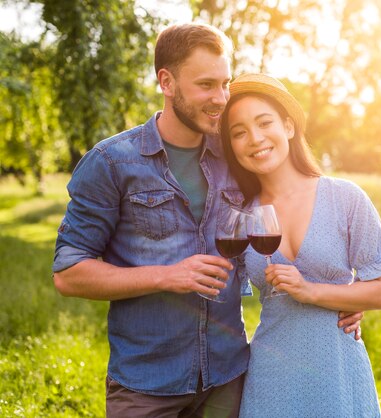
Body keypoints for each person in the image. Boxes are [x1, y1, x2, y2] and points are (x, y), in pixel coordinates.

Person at [52, 23, 362, 417]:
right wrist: (167, 275)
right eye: (206, 85)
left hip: (228, 380)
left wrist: (342, 297)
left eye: (225, 83)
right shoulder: (112, 163)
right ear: (166, 81)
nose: (220, 99)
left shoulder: (235, 154)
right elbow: (68, 273)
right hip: (147, 387)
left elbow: (292, 205)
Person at [220, 73, 381, 417]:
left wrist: (313, 292)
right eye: (239, 132)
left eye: (264, 122)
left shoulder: (345, 198)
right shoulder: (241, 214)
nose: (254, 138)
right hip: (271, 372)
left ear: (288, 127)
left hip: (337, 369)